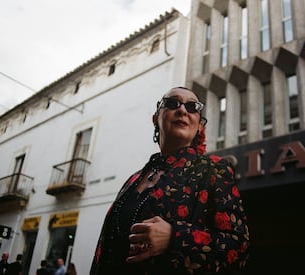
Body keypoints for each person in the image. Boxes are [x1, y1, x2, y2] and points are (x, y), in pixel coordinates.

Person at [90, 87, 250, 274]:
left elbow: (239, 247)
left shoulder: (214, 170)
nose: (182, 110)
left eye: (192, 107)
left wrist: (175, 236)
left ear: (199, 126)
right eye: (172, 103)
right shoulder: (133, 179)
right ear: (155, 119)